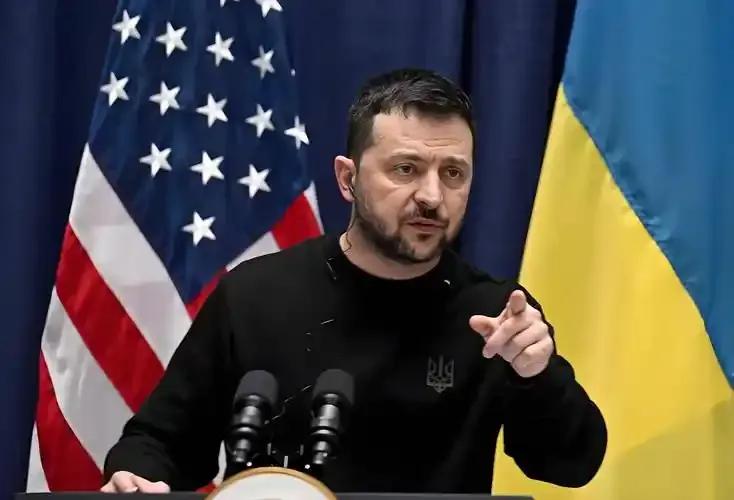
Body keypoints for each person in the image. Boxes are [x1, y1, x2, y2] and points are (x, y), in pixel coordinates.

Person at [102, 68, 607, 494]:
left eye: (453, 173)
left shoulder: (496, 317)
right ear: (348, 179)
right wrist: (137, 477)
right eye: (406, 169)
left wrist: (537, 375)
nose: (432, 196)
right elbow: (159, 443)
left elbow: (571, 464)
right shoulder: (255, 295)